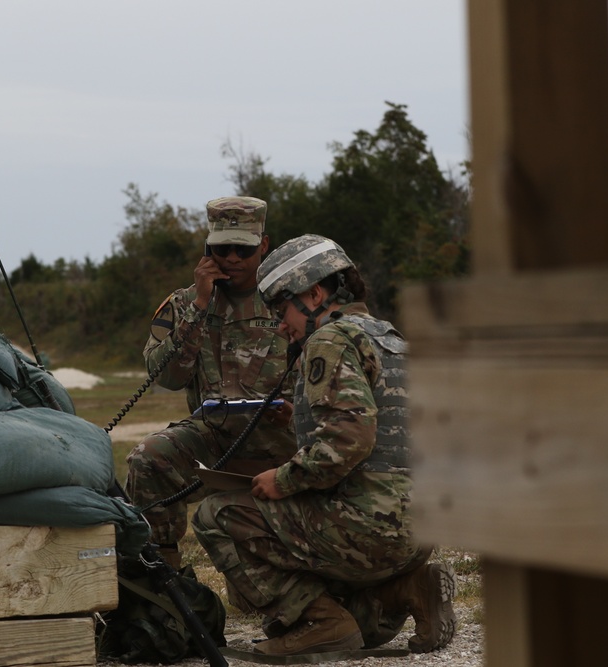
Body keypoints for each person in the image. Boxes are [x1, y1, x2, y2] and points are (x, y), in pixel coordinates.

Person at [191, 234, 456, 656]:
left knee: (214, 514)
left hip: (368, 527)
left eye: (282, 309)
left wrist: (284, 479)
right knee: (361, 629)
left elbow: (349, 438)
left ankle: (321, 621)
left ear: (315, 294)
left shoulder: (329, 341)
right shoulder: (390, 339)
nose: (280, 324)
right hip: (420, 529)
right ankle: (408, 587)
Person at [125, 196, 297, 571]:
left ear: (263, 245)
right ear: (207, 248)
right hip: (213, 442)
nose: (233, 258)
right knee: (148, 459)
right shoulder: (185, 303)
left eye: (243, 249)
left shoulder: (291, 301)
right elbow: (166, 377)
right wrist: (200, 306)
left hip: (284, 441)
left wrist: (298, 411)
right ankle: (164, 576)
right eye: (222, 249)